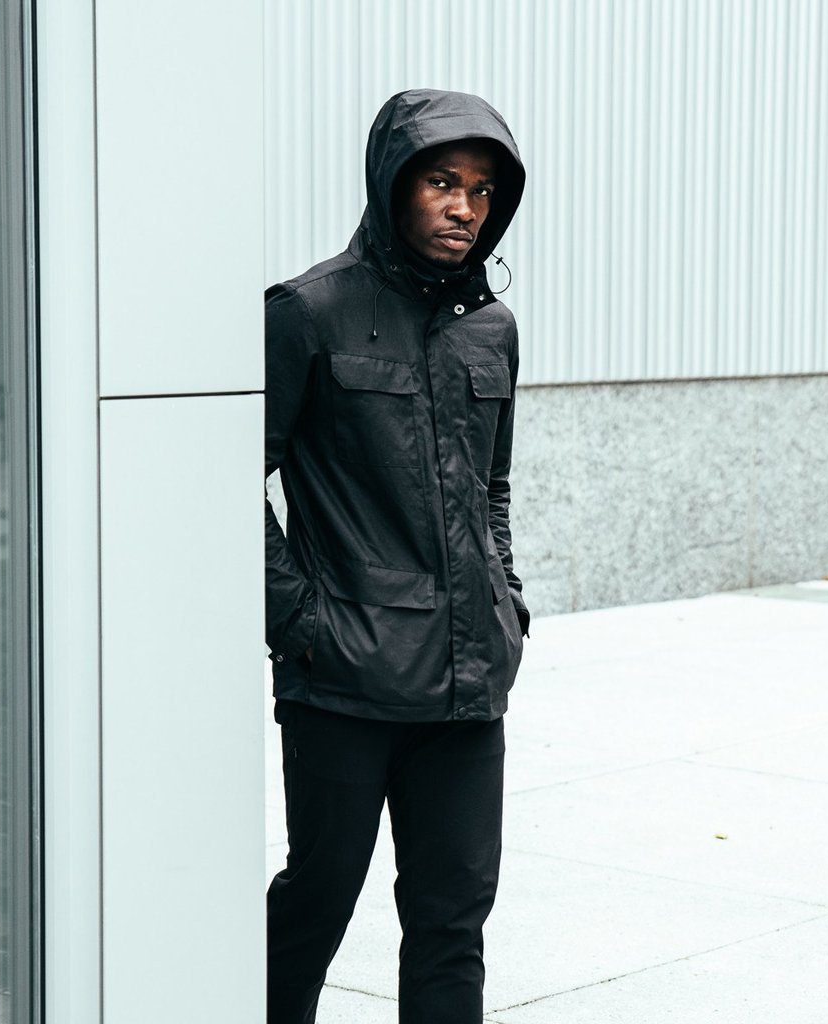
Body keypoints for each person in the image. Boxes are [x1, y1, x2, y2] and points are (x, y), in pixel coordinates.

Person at [264, 88, 529, 1024]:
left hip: (468, 685)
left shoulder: (491, 328)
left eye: (483, 191)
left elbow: (493, 487)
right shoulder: (307, 312)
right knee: (317, 902)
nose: (465, 208)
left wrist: (506, 598)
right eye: (442, 183)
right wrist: (302, 621)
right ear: (392, 185)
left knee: (453, 923)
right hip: (344, 681)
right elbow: (226, 483)